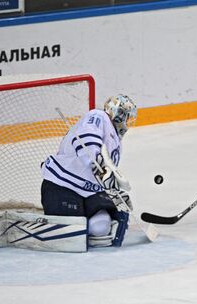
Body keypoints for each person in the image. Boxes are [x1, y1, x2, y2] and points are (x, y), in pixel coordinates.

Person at [40, 94, 138, 248]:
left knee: (100, 228)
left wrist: (115, 194)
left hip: (89, 192)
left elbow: (104, 175)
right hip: (63, 185)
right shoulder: (98, 116)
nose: (127, 122)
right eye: (127, 117)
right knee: (71, 232)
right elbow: (87, 142)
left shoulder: (117, 143)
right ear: (118, 113)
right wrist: (100, 166)